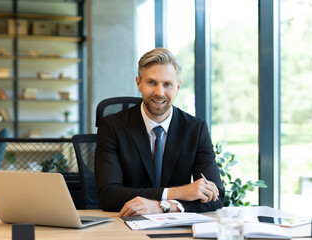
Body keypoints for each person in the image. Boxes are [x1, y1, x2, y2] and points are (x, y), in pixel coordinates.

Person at [95, 47, 224, 217]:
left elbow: (215, 196)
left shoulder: (195, 129)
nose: (159, 92)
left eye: (167, 84)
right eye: (151, 82)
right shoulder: (112, 127)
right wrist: (178, 193)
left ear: (177, 87)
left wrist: (163, 206)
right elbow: (109, 195)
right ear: (139, 83)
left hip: (176, 229)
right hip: (125, 225)